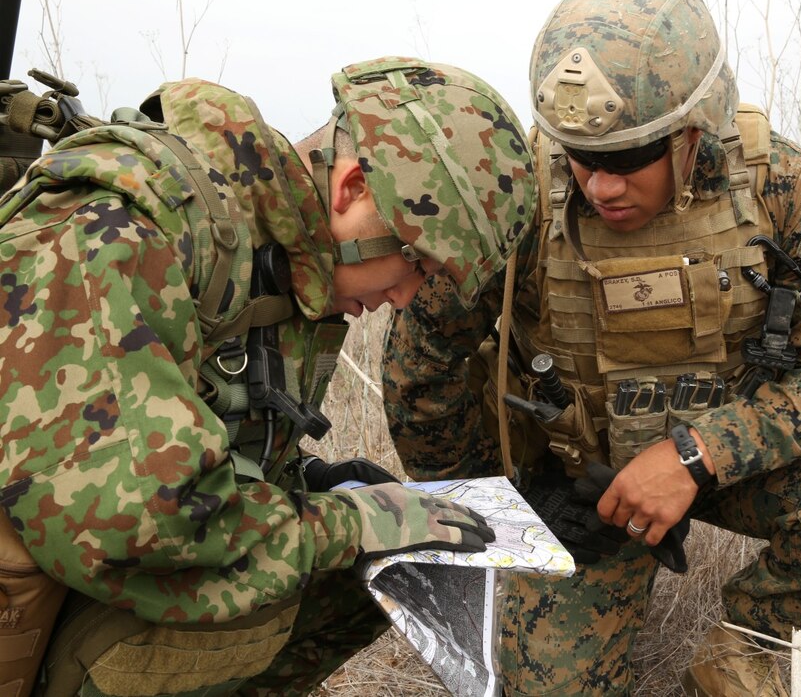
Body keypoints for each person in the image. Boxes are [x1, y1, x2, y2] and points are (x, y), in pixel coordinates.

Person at [382, 0, 801, 696]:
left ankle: (744, 644)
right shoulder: (519, 203)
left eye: (625, 161)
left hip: (734, 461)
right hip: (583, 490)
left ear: (695, 128)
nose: (600, 187)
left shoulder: (789, 192)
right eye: (581, 158)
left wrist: (699, 454)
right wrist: (503, 506)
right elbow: (422, 367)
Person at [0, 57, 535, 697]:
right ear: (353, 188)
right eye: (416, 262)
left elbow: (184, 430)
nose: (404, 296)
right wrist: (355, 522)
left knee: (354, 574)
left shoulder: (270, 253)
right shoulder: (114, 231)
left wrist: (310, 483)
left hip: (81, 577)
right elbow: (138, 523)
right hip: (62, 583)